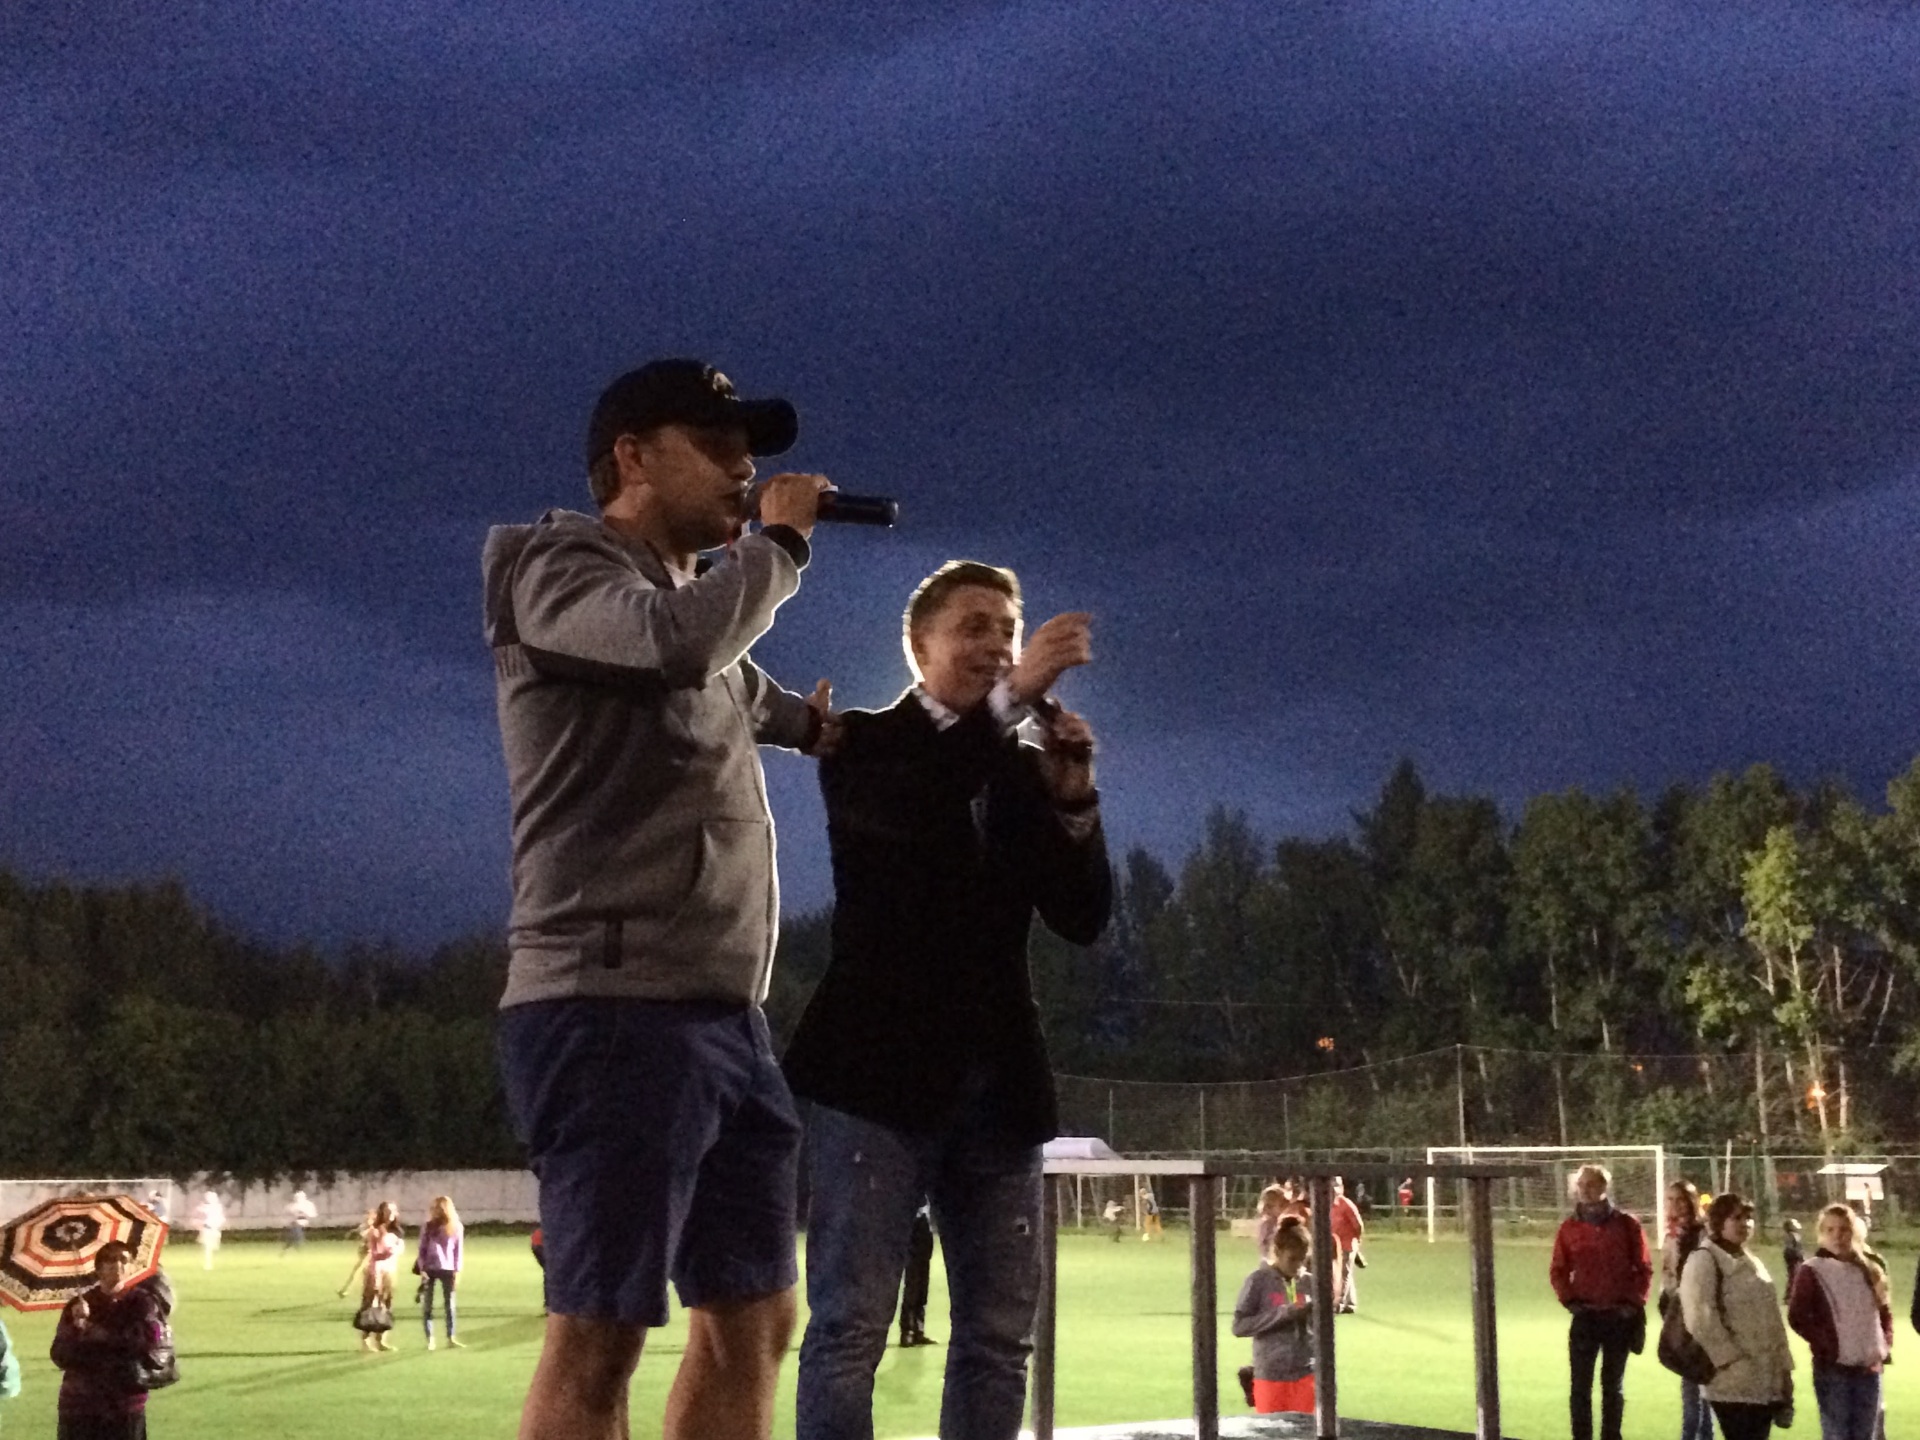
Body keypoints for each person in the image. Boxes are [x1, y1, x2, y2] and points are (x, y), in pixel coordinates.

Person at [486, 358, 834, 1440]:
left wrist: (841, 730)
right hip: (610, 1005)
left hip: (724, 1014)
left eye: (752, 451)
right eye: (718, 444)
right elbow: (673, 647)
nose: (746, 468)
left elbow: (752, 690)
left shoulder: (688, 606)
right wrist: (779, 547)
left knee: (758, 1318)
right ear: (632, 457)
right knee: (599, 1337)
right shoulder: (558, 569)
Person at [782, 559, 1112, 1440]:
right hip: (872, 1082)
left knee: (999, 1340)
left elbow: (1082, 918)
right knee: (849, 1331)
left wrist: (1075, 801)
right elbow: (916, 808)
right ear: (918, 644)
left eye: (1009, 630)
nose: (998, 644)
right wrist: (1013, 698)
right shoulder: (861, 743)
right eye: (974, 627)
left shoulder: (1018, 769)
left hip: (1000, 1089)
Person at [1549, 1163, 1652, 1440]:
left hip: (1618, 1318)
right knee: (1579, 1389)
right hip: (1586, 1316)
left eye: (1591, 1184)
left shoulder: (1627, 1225)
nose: (1584, 1190)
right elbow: (1558, 1270)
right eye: (1581, 1185)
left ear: (1604, 1187)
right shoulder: (1569, 1228)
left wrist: (1632, 1304)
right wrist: (1570, 1301)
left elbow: (1644, 1268)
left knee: (1613, 1388)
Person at [1681, 1192, 1795, 1440]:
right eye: (1737, 1218)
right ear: (1719, 1221)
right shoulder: (1704, 1259)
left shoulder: (1752, 1261)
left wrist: (1784, 1369)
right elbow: (1700, 1320)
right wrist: (1730, 1361)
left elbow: (1772, 1321)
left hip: (1764, 1379)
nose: (1745, 1223)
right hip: (1732, 1383)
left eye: (1748, 1218)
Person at [1787, 1202, 1891, 1440]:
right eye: (1830, 1230)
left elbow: (1883, 1312)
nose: (1837, 1236)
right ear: (1821, 1233)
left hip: (1868, 1369)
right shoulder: (1812, 1270)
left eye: (1843, 1229)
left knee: (1865, 1434)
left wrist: (1883, 1345)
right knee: (1838, 1434)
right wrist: (1827, 1345)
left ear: (1853, 1232)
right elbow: (1798, 1316)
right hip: (1834, 1369)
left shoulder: (1869, 1269)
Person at [49, 1240, 169, 1440]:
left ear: (131, 1267)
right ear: (98, 1268)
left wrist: (102, 1334)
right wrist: (75, 1328)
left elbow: (148, 1341)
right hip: (80, 1404)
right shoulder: (79, 1305)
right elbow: (60, 1355)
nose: (117, 1265)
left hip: (124, 1403)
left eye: (124, 1260)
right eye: (110, 1260)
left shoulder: (142, 1303)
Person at [1232, 1215, 1317, 1416]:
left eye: (1302, 1259)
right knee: (1272, 1430)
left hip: (1306, 1372)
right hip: (1270, 1375)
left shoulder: (1310, 1282)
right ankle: (1251, 1382)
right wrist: (1284, 1314)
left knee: (1306, 1430)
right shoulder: (1258, 1281)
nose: (1298, 1266)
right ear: (1277, 1252)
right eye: (1292, 1259)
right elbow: (1239, 1326)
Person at [1660, 1180, 1715, 1440]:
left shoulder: (1703, 1234)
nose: (1674, 1205)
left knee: (1694, 1387)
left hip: (1699, 1315)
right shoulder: (1671, 1234)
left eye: (1680, 1199)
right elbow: (1667, 1274)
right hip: (1678, 1314)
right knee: (1695, 1386)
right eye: (1670, 1199)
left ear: (1691, 1202)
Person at [417, 1195, 466, 1351]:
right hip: (430, 1268)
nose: (436, 1211)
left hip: (448, 1268)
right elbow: (421, 1249)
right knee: (428, 1305)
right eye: (435, 1208)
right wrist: (422, 1269)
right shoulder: (428, 1226)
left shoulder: (456, 1227)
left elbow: (458, 1251)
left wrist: (457, 1271)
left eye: (439, 1207)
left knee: (449, 1305)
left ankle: (451, 1337)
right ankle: (430, 1339)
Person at [354, 1202, 404, 1352]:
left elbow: (399, 1250)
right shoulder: (375, 1231)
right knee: (370, 1304)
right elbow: (371, 1252)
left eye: (393, 1211)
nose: (390, 1214)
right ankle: (365, 1339)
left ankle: (381, 1340)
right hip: (375, 1272)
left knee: (386, 1304)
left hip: (390, 1270)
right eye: (387, 1211)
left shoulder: (397, 1231)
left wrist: (395, 1250)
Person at [896, 1202, 935, 1348]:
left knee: (922, 1286)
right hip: (915, 1228)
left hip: (924, 1230)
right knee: (913, 1285)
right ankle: (908, 1331)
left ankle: (918, 1330)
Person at [1329, 1177, 1365, 1314]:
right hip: (1335, 1245)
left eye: (1337, 1186)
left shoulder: (1346, 1204)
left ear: (1342, 1188)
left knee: (1343, 1275)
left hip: (1346, 1244)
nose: (1334, 1190)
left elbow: (1358, 1225)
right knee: (1345, 1273)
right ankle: (1350, 1303)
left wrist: (1357, 1241)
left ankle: (1338, 1304)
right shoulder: (1329, 1205)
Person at [190, 1191, 223, 1271]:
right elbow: (199, 1212)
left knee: (214, 1247)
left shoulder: (217, 1207)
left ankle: (209, 1262)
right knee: (207, 1248)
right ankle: (208, 1264)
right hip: (207, 1229)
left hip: (215, 1230)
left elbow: (220, 1217)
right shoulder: (206, 1207)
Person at [1782, 1218, 1806, 1299]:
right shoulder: (1792, 1236)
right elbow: (1791, 1249)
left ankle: (1790, 1294)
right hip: (1794, 1259)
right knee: (1794, 1276)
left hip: (1794, 1258)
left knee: (1793, 1276)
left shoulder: (1793, 1235)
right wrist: (1799, 1256)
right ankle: (1790, 1295)